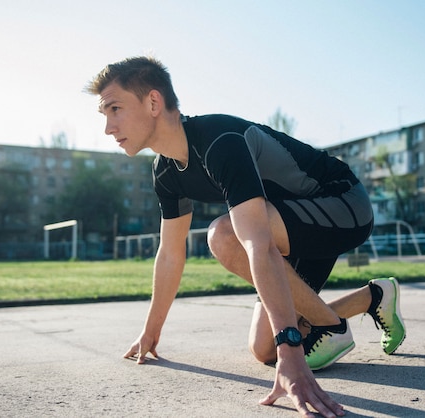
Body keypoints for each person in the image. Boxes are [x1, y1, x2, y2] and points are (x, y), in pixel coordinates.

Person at [85, 56, 406, 418]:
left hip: (342, 205)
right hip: (288, 227)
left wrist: (293, 351)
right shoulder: (165, 172)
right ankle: (374, 297)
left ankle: (331, 327)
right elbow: (170, 253)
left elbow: (257, 242)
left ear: (153, 103)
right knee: (263, 349)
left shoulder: (220, 141)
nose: (108, 127)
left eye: (115, 109)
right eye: (105, 115)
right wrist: (150, 333)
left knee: (224, 235)